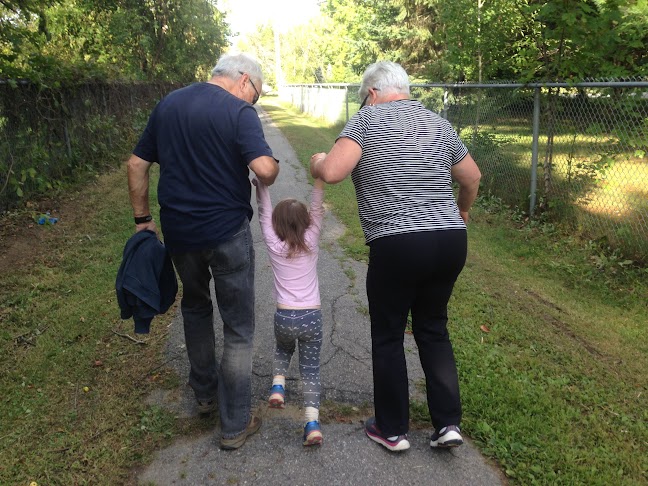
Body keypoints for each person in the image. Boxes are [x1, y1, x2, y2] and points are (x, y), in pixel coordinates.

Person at [310, 61, 481, 452]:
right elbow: (471, 177)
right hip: (450, 240)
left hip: (398, 242)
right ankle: (448, 424)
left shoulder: (365, 120)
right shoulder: (438, 123)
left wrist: (317, 160)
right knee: (433, 328)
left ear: (371, 93)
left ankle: (391, 429)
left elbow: (333, 172)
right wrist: (462, 210)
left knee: (388, 333)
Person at [127, 53, 280, 450]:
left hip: (180, 234)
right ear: (244, 80)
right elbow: (265, 170)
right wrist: (273, 164)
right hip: (226, 232)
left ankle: (206, 394)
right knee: (238, 326)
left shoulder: (168, 104)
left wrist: (142, 220)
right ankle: (235, 424)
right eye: (256, 95)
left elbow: (136, 164)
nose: (253, 102)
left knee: (195, 307)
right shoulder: (238, 111)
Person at [252, 176, 326, 446]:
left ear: (276, 225)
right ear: (307, 223)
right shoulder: (311, 240)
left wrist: (262, 186)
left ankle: (278, 386)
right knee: (311, 370)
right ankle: (312, 424)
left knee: (283, 349)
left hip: (284, 315)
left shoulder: (273, 244)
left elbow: (264, 212)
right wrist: (319, 179)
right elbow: (317, 208)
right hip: (311, 317)